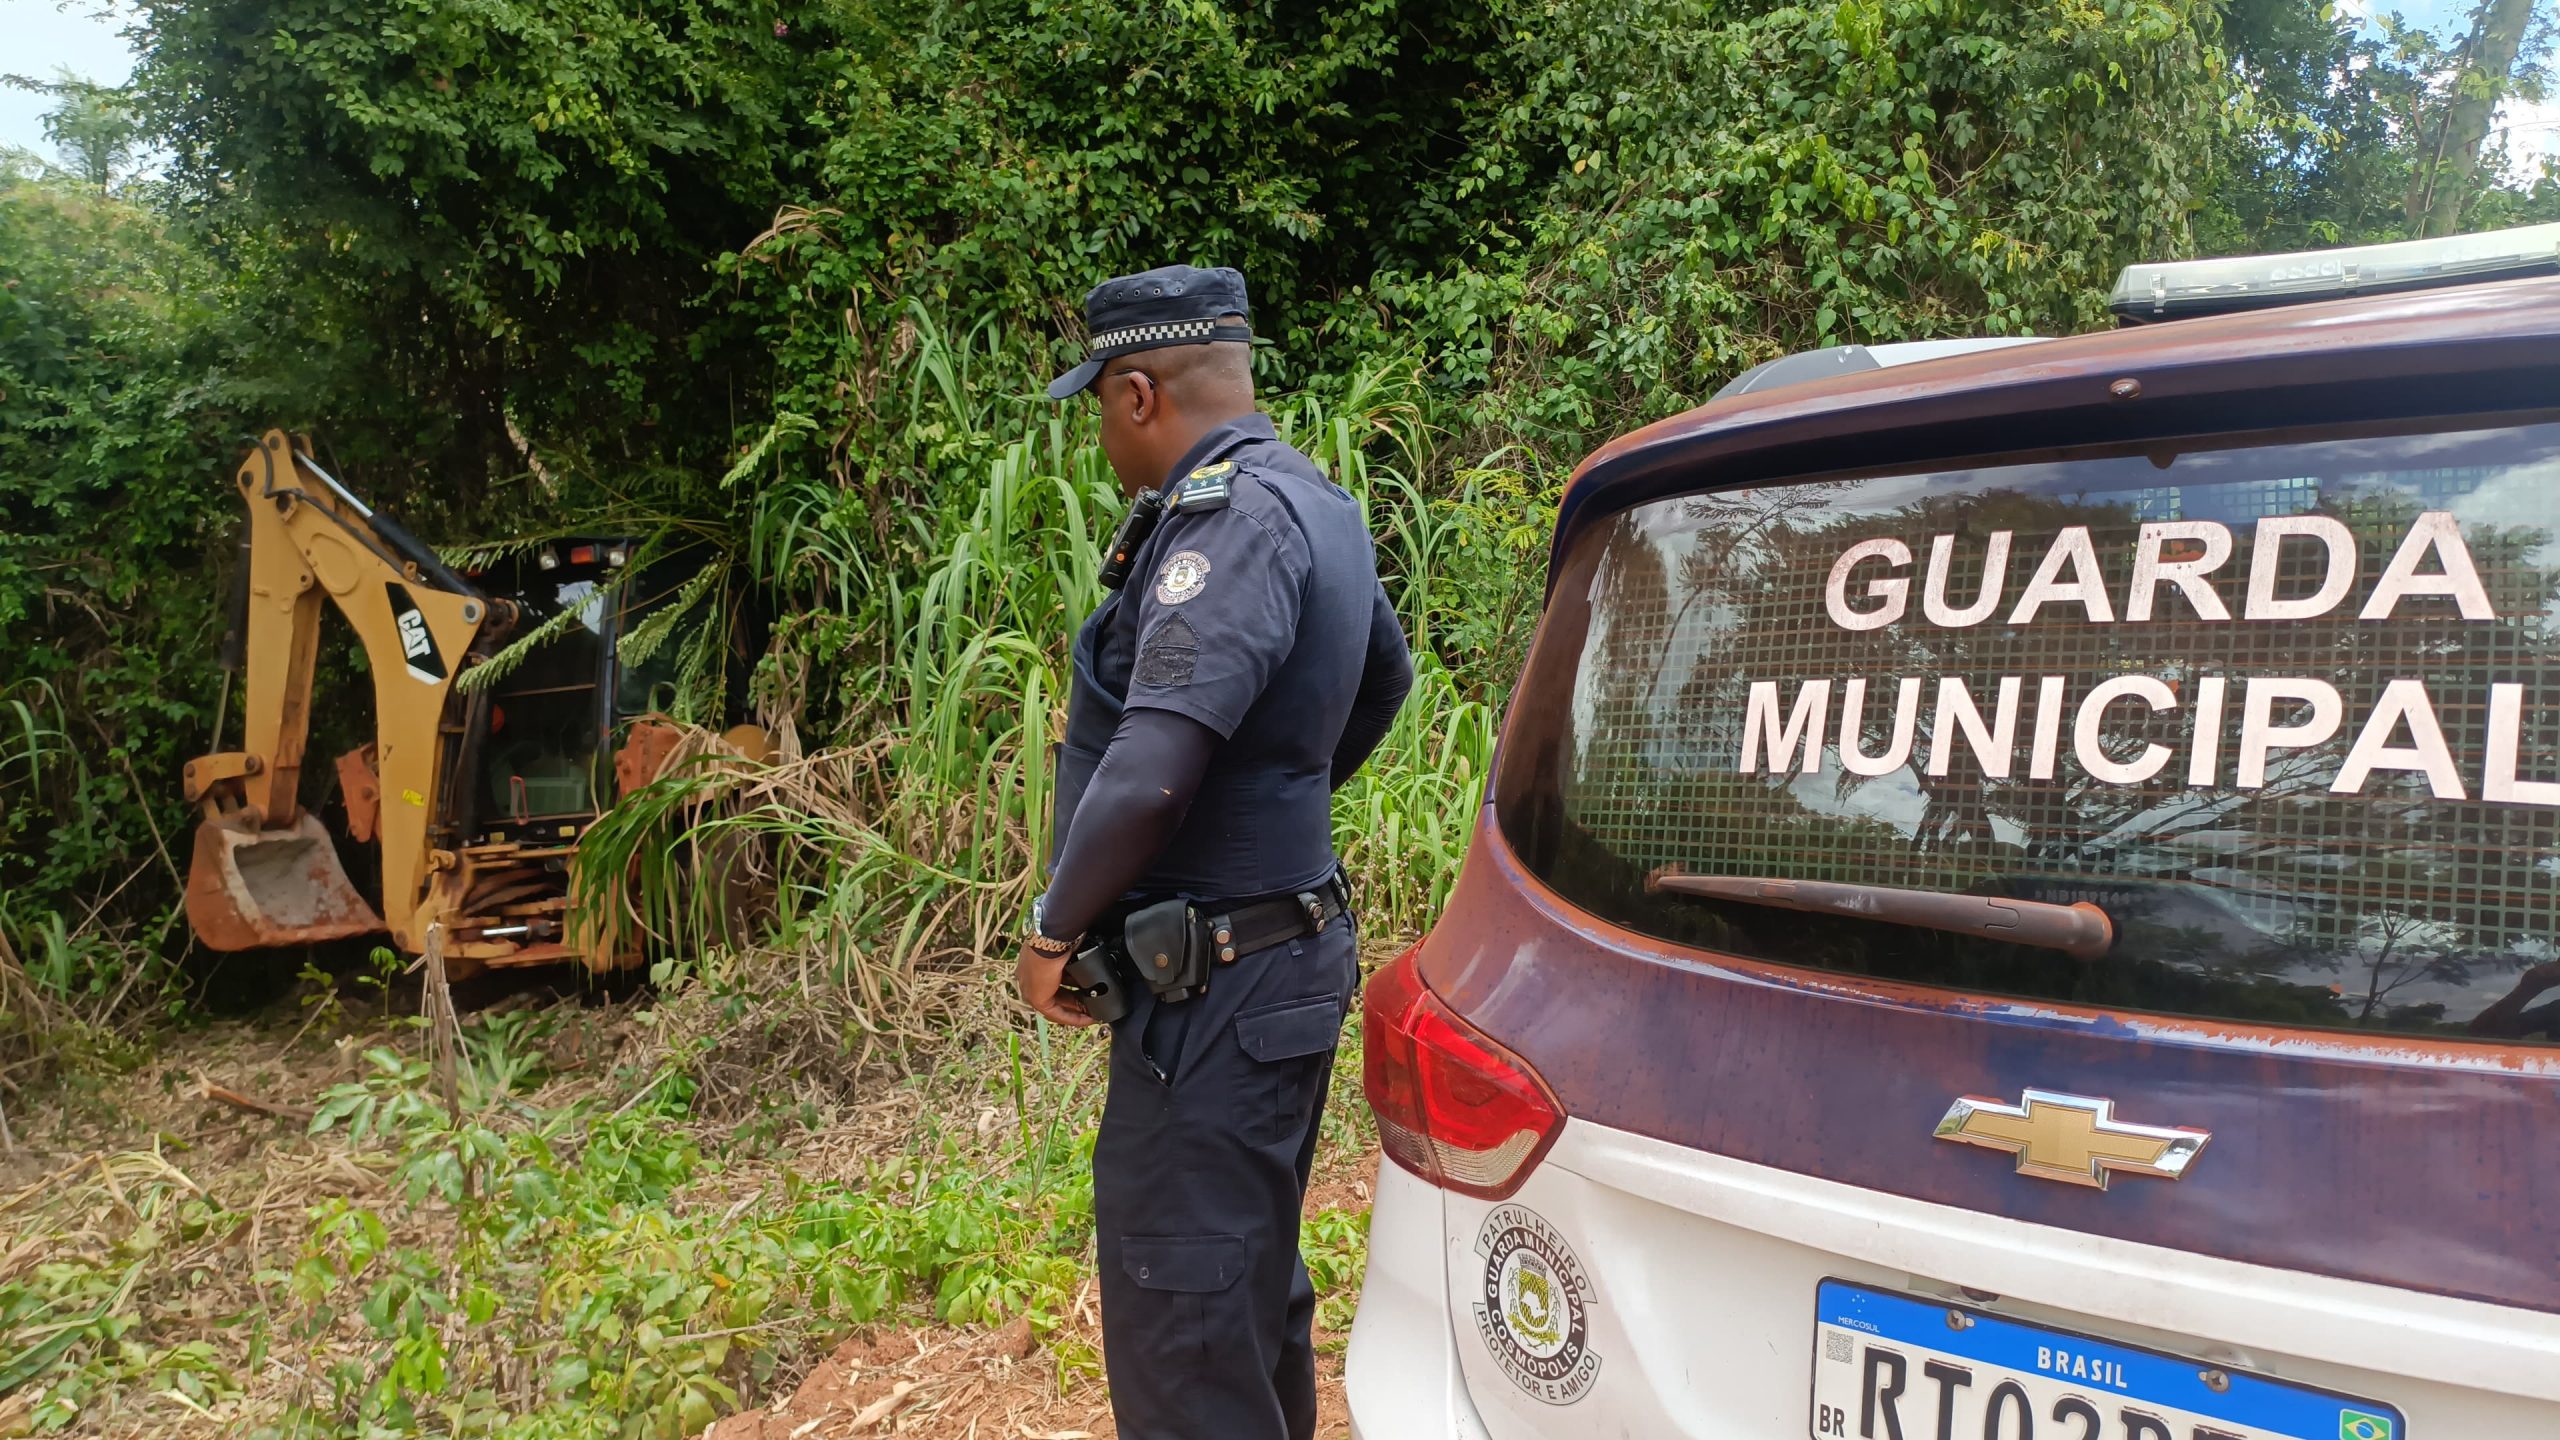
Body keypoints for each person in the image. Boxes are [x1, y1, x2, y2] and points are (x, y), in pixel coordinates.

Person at [1015, 263, 1412, 1440]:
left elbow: (1151, 765)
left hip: (1217, 993)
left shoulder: (1225, 525)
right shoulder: (1315, 506)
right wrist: (1274, 800)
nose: (1099, 428)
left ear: (1140, 393)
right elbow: (1382, 681)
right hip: (1271, 968)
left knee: (1186, 1321)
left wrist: (1050, 933)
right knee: (1241, 1289)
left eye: (1099, 402)